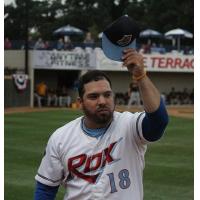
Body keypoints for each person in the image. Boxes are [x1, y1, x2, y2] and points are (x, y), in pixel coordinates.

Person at [34, 48, 169, 200]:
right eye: (93, 96)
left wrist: (140, 75)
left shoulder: (129, 126)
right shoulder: (60, 138)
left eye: (107, 95)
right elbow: (45, 189)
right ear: (80, 103)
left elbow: (159, 122)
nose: (102, 101)